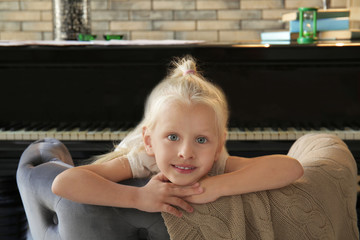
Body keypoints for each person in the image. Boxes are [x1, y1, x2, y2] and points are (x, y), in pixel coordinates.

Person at [52, 56, 304, 218]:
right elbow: (64, 183)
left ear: (218, 146)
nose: (186, 152)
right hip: (141, 145)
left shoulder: (215, 161)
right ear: (150, 142)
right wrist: (137, 197)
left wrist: (217, 185)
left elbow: (290, 168)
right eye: (173, 136)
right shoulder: (143, 158)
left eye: (202, 140)